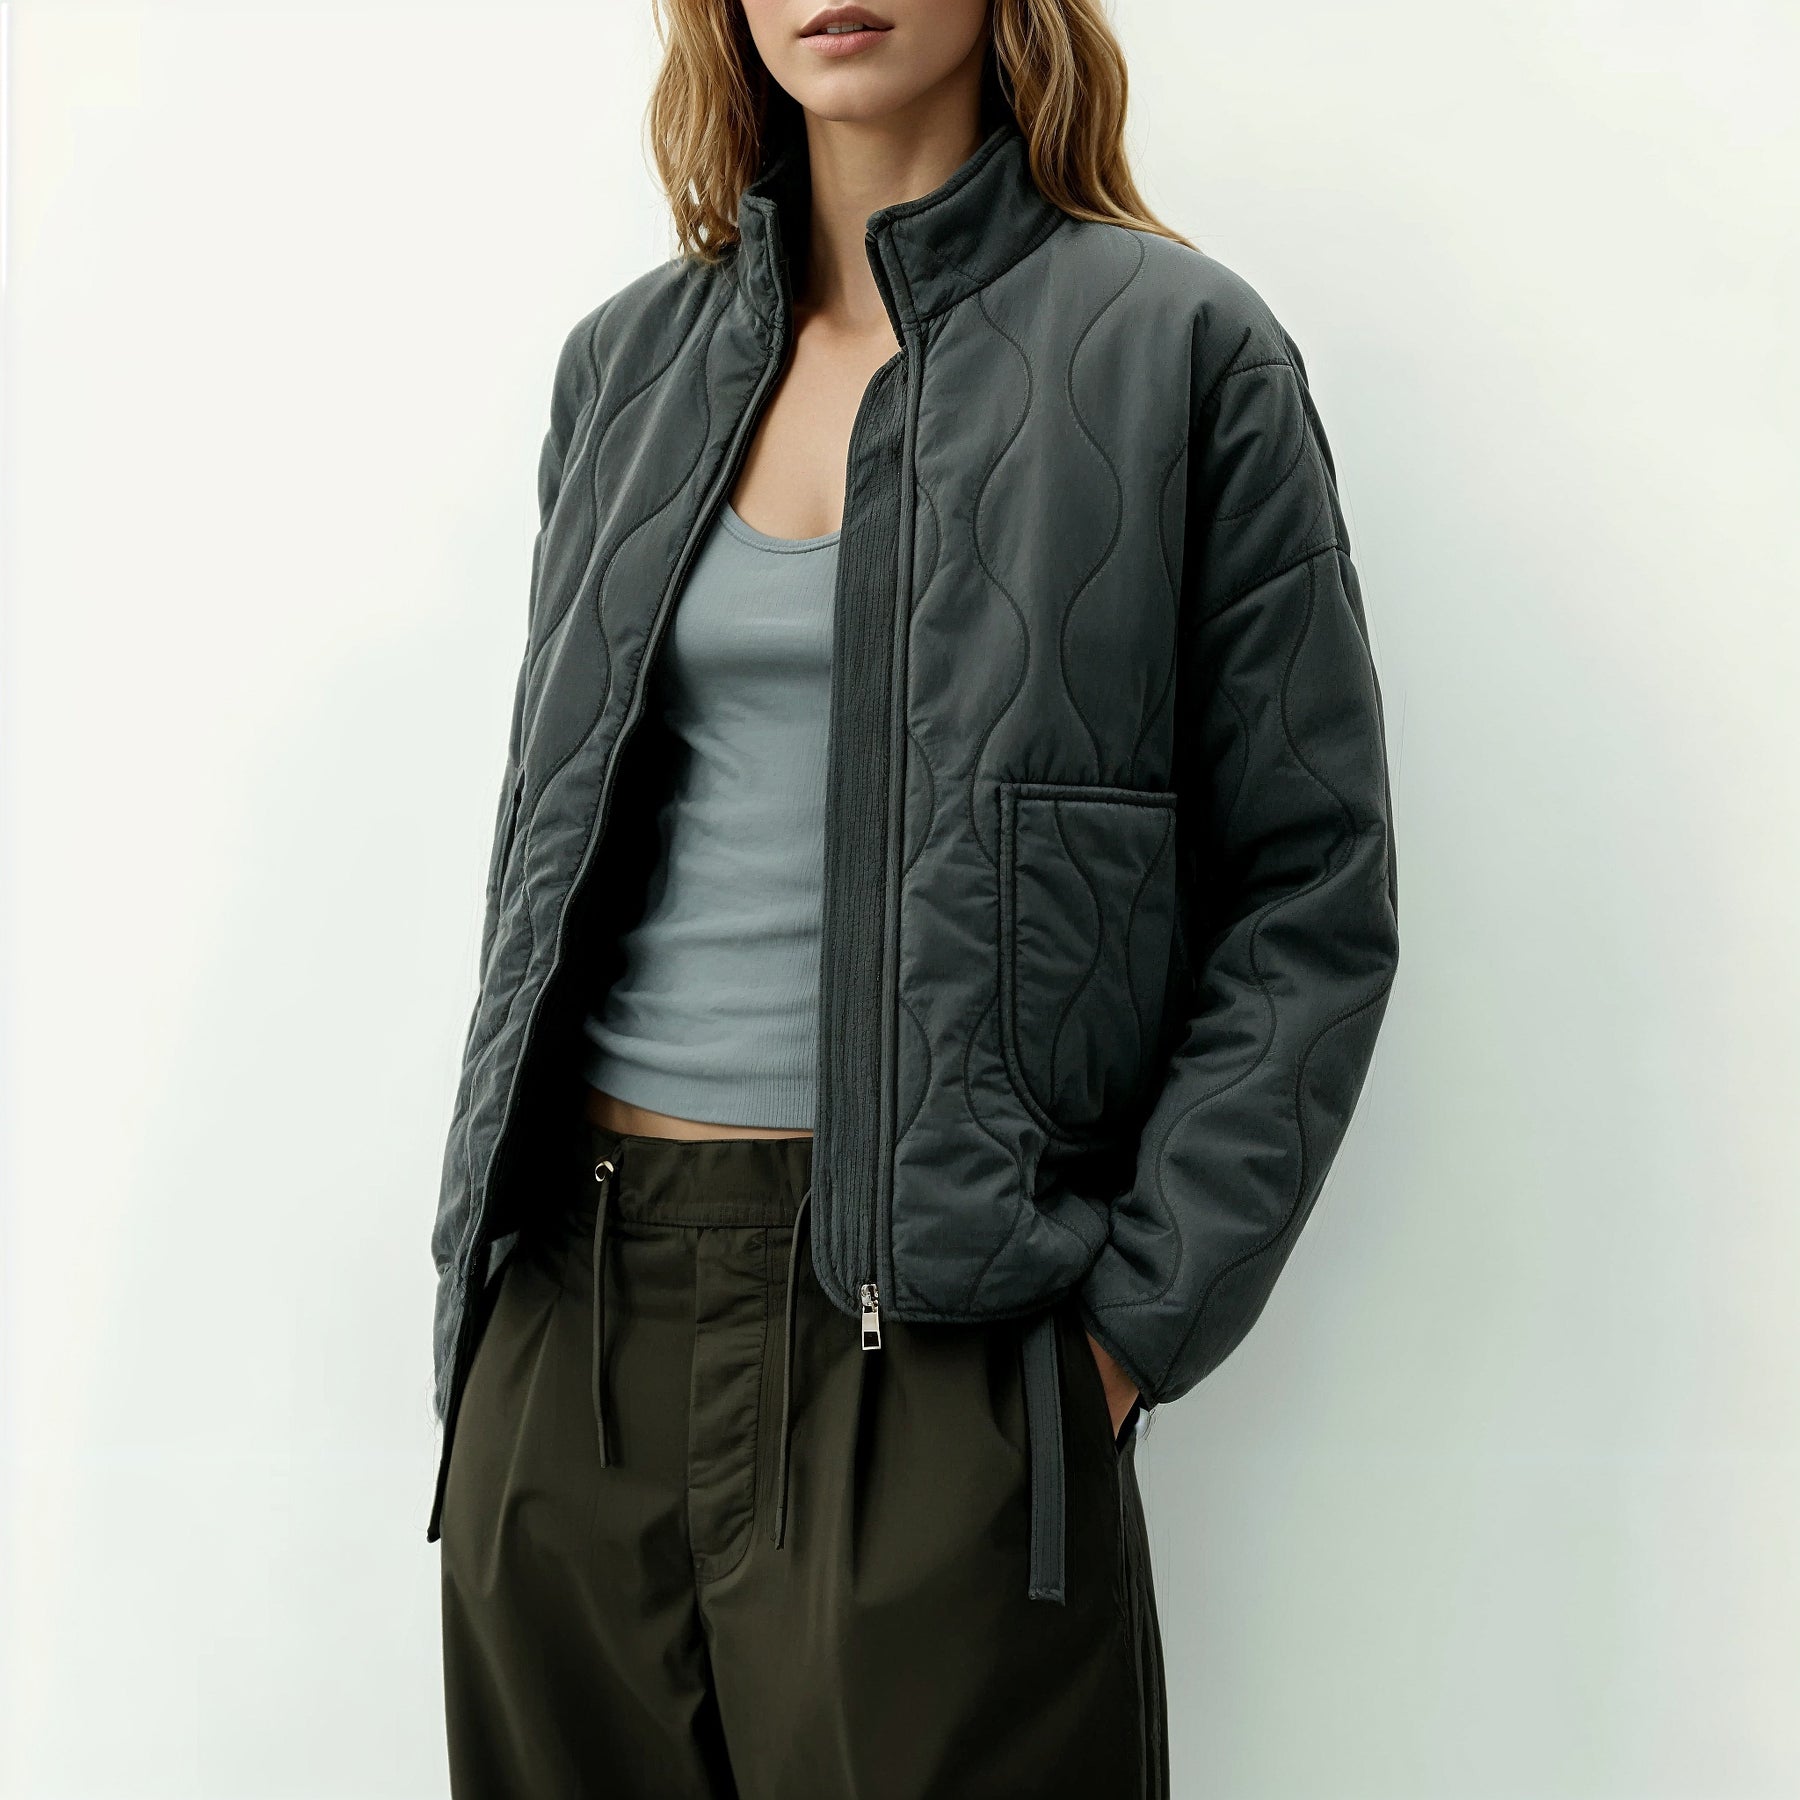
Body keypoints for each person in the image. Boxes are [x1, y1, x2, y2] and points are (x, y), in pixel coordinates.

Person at [426, 0, 1400, 1794]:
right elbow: (547, 846)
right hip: (576, 1317)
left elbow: (1311, 893)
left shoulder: (1179, 352)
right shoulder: (624, 369)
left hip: (942, 1343)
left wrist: (1115, 1346)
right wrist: (490, 1329)